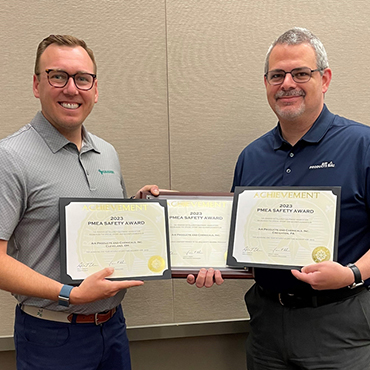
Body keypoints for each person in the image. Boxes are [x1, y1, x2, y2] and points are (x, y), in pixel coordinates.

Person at [188, 27, 370, 369]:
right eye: (277, 75)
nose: (287, 83)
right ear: (267, 83)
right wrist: (191, 243)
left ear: (325, 79)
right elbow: (234, 239)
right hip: (266, 325)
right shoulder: (251, 156)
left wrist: (352, 274)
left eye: (301, 73)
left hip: (340, 325)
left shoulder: (363, 145)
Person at [0, 35, 159, 370]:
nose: (71, 89)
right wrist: (69, 294)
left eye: (82, 78)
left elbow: (101, 229)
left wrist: (142, 212)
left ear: (95, 89)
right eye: (58, 76)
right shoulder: (10, 158)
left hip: (113, 327)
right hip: (50, 335)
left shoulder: (108, 153)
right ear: (36, 84)